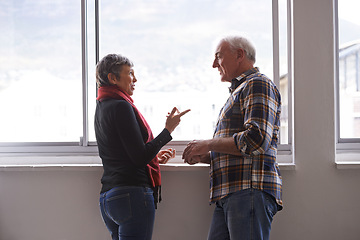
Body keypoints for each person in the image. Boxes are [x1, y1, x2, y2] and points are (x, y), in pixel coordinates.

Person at [182, 36, 283, 240]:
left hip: (248, 190)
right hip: (233, 194)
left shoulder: (258, 84)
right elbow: (239, 148)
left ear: (239, 55)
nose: (214, 64)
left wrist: (208, 144)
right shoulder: (240, 90)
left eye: (218, 56)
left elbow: (256, 139)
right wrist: (204, 156)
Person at [95, 53, 190, 240]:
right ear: (113, 78)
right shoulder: (121, 106)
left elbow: (124, 152)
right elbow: (139, 156)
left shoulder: (102, 106)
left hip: (108, 199)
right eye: (130, 73)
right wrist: (168, 130)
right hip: (131, 194)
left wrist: (154, 157)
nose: (135, 79)